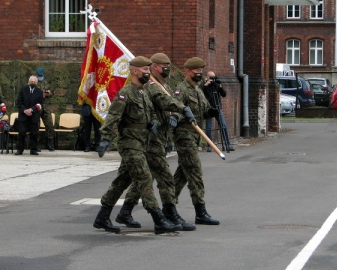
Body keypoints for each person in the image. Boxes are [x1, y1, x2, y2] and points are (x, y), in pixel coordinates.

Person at [93, 56, 193, 235]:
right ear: (135, 71)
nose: (148, 73)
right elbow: (113, 116)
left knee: (122, 181)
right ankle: (158, 219)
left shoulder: (144, 93)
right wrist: (105, 139)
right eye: (145, 70)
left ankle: (102, 216)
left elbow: (151, 112)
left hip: (144, 142)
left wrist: (154, 121)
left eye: (149, 70)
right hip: (130, 144)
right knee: (145, 179)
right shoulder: (126, 93)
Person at [172, 57, 220, 225]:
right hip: (184, 136)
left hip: (195, 136)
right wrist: (179, 116)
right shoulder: (182, 89)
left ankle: (168, 203)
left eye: (201, 71)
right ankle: (200, 211)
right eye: (196, 71)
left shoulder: (198, 90)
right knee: (195, 171)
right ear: (188, 72)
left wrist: (211, 112)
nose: (199, 74)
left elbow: (203, 110)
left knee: (183, 173)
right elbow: (175, 110)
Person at [199, 70, 234, 152]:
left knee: (223, 126)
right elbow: (198, 91)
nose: (213, 79)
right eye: (211, 78)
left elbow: (224, 94)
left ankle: (228, 144)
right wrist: (205, 85)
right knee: (208, 128)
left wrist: (220, 87)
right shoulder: (204, 84)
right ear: (207, 78)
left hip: (217, 108)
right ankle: (209, 146)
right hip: (208, 109)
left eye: (214, 77)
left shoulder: (216, 84)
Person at [14, 75, 44, 156]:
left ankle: (33, 150)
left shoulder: (39, 91)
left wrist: (32, 110)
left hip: (34, 116)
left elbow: (40, 104)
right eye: (32, 81)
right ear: (29, 81)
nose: (33, 82)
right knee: (22, 133)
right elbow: (19, 103)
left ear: (37, 83)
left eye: (34, 81)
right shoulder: (23, 90)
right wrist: (25, 110)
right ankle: (19, 150)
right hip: (23, 116)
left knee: (34, 133)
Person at [35, 67, 55, 151]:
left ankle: (50, 142)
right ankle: (36, 143)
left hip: (45, 106)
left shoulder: (47, 83)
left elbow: (51, 94)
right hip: (36, 106)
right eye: (39, 75)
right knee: (36, 125)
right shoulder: (33, 83)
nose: (40, 76)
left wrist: (49, 94)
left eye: (41, 75)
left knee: (49, 124)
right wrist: (40, 95)